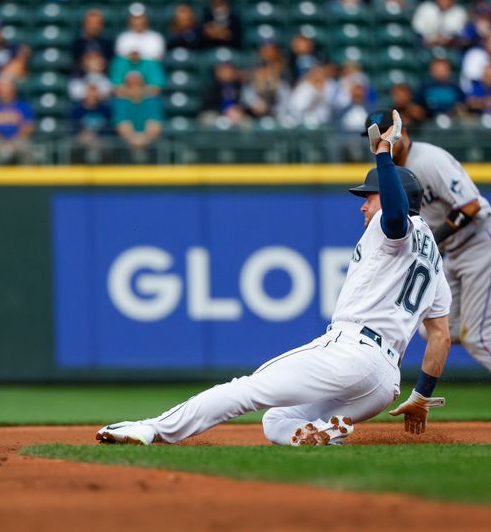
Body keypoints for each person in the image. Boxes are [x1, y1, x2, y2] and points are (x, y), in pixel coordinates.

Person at [98, 110, 452, 446]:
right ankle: (324, 432)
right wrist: (420, 395)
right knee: (277, 420)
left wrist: (384, 152)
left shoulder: (392, 225)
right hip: (384, 382)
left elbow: (393, 216)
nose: (362, 205)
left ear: (393, 197)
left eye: (369, 197)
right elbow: (440, 336)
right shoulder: (433, 257)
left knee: (245, 389)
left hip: (352, 351)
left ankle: (152, 429)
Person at [363, 109, 491, 372]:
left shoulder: (429, 159)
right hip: (453, 253)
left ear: (403, 132)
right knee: (436, 327)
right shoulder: (392, 171)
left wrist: (433, 239)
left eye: (389, 134)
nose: (384, 141)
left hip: (480, 243)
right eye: (378, 137)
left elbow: (470, 205)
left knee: (477, 337)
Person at [0, 77, 34, 165]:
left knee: (24, 147)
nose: (0, 91)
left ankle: (27, 178)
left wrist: (12, 142)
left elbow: (28, 127)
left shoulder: (23, 106)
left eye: (4, 87)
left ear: (12, 89)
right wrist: (1, 140)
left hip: (17, 140)